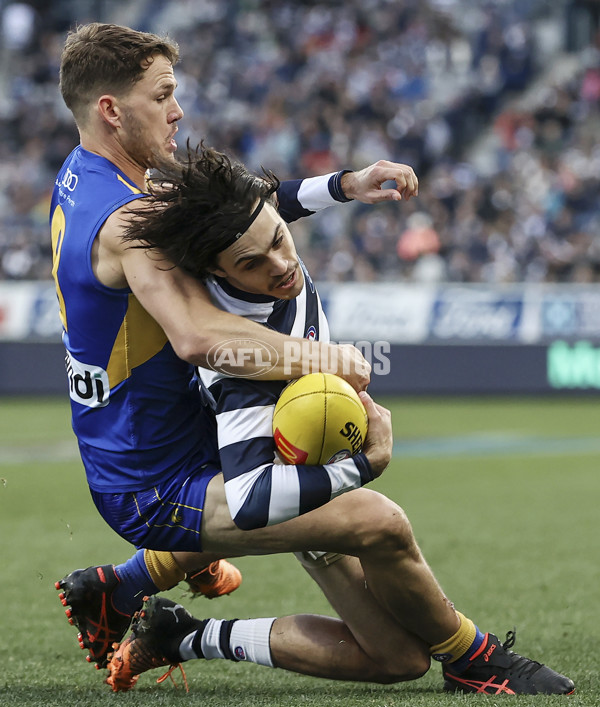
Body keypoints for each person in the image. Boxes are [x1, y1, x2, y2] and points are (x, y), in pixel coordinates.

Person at [62, 145, 573, 696]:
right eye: (251, 265)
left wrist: (347, 185)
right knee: (381, 524)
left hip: (296, 442)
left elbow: (269, 202)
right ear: (216, 270)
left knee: (397, 658)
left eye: (279, 240)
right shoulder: (242, 362)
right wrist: (365, 466)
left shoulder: (246, 228)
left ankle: (173, 627)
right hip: (272, 462)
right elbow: (253, 501)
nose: (280, 266)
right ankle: (472, 657)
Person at [50, 21, 417, 668]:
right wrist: (323, 358)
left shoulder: (92, 175)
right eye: (162, 94)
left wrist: (344, 185)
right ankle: (178, 631)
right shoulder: (128, 218)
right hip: (155, 480)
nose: (177, 109)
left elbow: (240, 214)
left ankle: (124, 586)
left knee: (306, 471)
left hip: (153, 438)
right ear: (111, 109)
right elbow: (196, 336)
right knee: (378, 529)